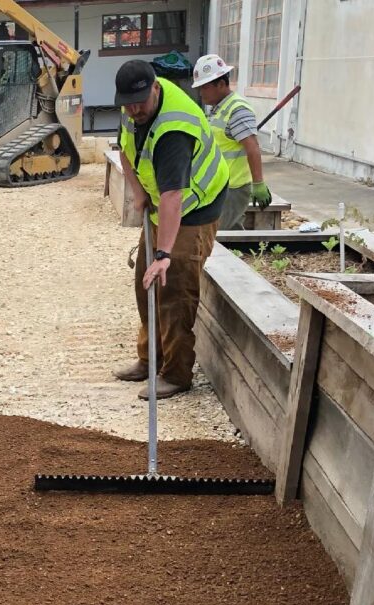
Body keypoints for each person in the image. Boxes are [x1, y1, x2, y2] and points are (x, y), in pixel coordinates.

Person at [112, 59, 229, 400]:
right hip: (162, 201)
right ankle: (150, 360)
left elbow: (173, 197)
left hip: (196, 206)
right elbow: (125, 150)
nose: (134, 109)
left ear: (155, 88)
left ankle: (176, 373)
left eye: (140, 102)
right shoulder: (131, 109)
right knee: (144, 284)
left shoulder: (174, 129)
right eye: (128, 103)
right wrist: (137, 193)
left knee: (173, 284)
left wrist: (163, 254)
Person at [194, 53, 272, 230]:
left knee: (222, 236)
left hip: (233, 188)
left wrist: (258, 183)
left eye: (204, 87)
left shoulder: (238, 109)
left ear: (221, 84)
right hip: (219, 186)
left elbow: (252, 147)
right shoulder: (218, 109)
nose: (201, 93)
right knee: (224, 235)